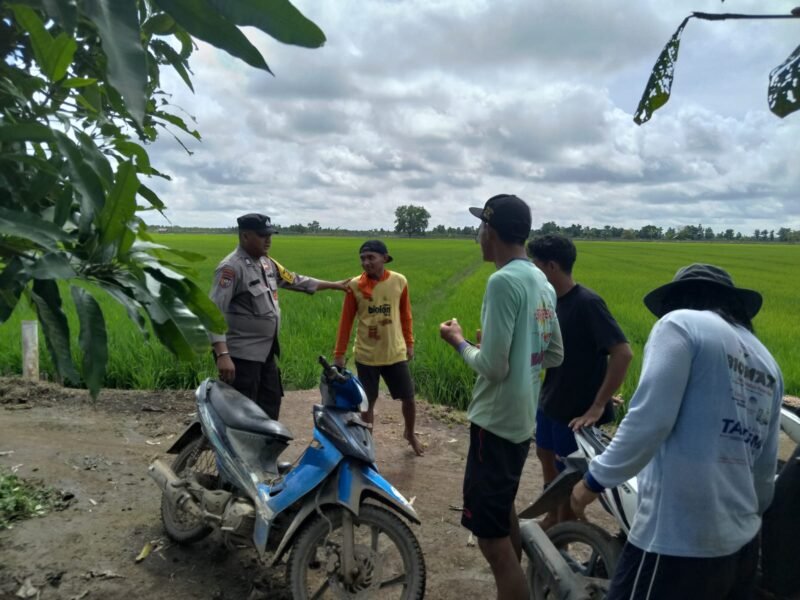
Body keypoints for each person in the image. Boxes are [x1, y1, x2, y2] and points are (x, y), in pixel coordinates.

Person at [570, 264, 784, 600]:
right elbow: (763, 472)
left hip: (677, 542)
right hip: (740, 548)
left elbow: (647, 422)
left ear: (681, 299)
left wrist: (592, 482)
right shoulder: (768, 361)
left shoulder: (681, 324)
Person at [440, 194, 563, 600]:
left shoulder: (503, 280)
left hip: (492, 424)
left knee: (491, 542)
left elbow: (493, 368)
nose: (478, 236)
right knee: (503, 511)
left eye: (480, 229)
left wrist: (459, 342)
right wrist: (506, 348)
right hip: (521, 420)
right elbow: (554, 352)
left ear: (489, 231)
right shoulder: (540, 280)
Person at [527, 234, 632, 528]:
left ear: (550, 266)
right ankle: (553, 515)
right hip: (550, 400)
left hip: (575, 412)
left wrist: (598, 405)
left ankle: (566, 533)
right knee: (545, 458)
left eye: (534, 265)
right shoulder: (549, 301)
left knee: (568, 474)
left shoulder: (587, 303)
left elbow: (622, 353)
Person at [209, 213, 348, 420]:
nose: (268, 240)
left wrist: (335, 285)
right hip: (241, 356)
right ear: (245, 236)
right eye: (262, 235)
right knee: (241, 412)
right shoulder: (231, 268)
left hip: (265, 353)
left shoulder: (267, 263)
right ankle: (236, 451)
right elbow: (213, 313)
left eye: (270, 234)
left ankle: (263, 450)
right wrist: (222, 355)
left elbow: (295, 280)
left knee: (270, 403)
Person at [333, 240, 423, 456]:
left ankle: (410, 433)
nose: (366, 263)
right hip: (367, 355)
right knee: (367, 403)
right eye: (363, 258)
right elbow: (346, 322)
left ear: (384, 257)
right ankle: (367, 444)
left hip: (394, 352)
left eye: (371, 257)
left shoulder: (399, 281)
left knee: (409, 398)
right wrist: (339, 354)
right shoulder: (354, 286)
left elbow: (405, 315)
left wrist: (409, 343)